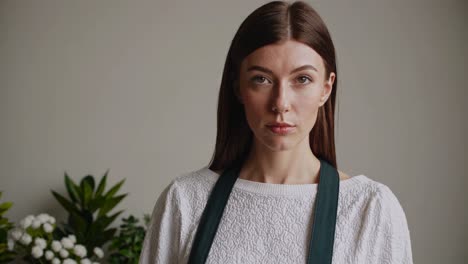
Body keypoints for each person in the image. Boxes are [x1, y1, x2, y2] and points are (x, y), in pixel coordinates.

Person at [139, 1, 413, 263]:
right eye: (262, 79)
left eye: (302, 79)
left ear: (326, 89)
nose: (281, 102)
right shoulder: (185, 201)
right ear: (238, 88)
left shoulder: (370, 209)